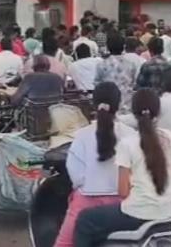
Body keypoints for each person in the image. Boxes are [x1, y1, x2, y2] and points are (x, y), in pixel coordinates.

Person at [73, 89, 171, 247]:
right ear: (158, 112)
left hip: (137, 214)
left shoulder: (128, 143)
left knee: (85, 219)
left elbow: (123, 191)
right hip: (169, 212)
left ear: (133, 113)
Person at [54, 83, 136, 247]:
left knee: (64, 243)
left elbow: (76, 176)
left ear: (94, 103)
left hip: (86, 202)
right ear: (119, 104)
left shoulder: (82, 135)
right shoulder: (131, 134)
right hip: (125, 204)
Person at [96, 35, 138, 114]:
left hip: (109, 107)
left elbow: (97, 85)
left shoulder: (101, 65)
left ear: (108, 47)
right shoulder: (131, 65)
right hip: (127, 106)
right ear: (123, 47)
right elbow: (133, 83)